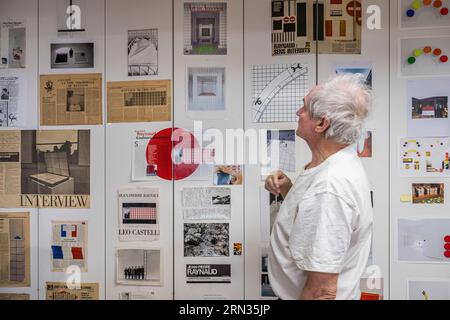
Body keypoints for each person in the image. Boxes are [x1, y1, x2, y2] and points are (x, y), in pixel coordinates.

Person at [265, 74, 373, 300]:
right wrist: (289, 189)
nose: (298, 112)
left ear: (322, 124)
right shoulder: (335, 164)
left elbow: (322, 290)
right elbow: (314, 215)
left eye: (304, 107)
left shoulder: (330, 185)